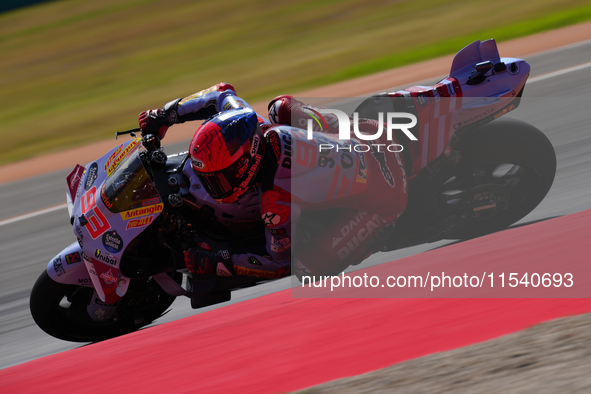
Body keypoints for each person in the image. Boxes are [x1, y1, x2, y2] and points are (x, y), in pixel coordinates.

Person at [138, 83, 407, 279]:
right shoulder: (249, 121)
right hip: (371, 133)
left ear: (248, 162)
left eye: (219, 179)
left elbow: (277, 264)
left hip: (387, 192)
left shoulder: (274, 201)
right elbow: (220, 93)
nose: (212, 186)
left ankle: (379, 236)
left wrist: (217, 262)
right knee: (280, 108)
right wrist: (164, 115)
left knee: (304, 268)